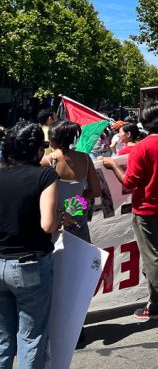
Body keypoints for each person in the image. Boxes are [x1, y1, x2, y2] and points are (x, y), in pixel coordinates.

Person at [102, 102, 158, 319]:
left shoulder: (141, 147)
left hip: (145, 208)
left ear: (144, 122)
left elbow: (130, 182)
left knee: (152, 257)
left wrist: (113, 165)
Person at [0, 121, 62, 369]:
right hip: (30, 264)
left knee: (3, 337)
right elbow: (48, 224)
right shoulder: (46, 174)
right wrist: (62, 216)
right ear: (38, 150)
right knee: (31, 336)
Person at [43, 120, 102, 242]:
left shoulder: (46, 161)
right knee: (77, 257)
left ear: (52, 139)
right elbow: (96, 191)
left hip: (53, 219)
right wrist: (77, 197)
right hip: (76, 216)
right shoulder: (85, 159)